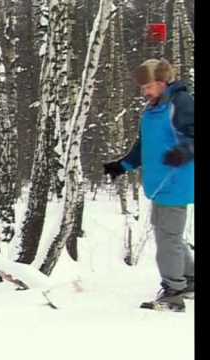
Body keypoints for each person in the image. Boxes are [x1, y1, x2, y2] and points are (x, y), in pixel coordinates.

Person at [103, 58, 194, 312]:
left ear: (163, 83)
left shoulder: (180, 103)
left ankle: (173, 293)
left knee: (168, 238)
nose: (145, 92)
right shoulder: (153, 109)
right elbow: (144, 146)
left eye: (149, 86)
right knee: (167, 234)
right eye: (143, 88)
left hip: (176, 180)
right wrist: (122, 166)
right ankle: (189, 280)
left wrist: (184, 152)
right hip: (159, 183)